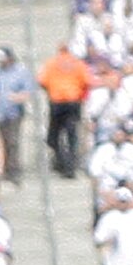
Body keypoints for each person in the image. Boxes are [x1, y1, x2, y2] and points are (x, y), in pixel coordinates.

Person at [40, 43, 91, 178]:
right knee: (71, 136)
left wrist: (53, 90)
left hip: (57, 102)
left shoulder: (51, 63)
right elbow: (86, 81)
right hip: (73, 102)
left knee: (53, 136)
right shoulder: (78, 63)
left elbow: (42, 81)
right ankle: (70, 167)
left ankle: (62, 162)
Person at [0, 46, 31, 184]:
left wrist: (16, 97)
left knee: (13, 141)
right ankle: (5, 167)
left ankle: (14, 169)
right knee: (4, 141)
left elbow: (27, 92)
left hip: (15, 112)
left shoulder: (21, 71)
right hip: (0, 111)